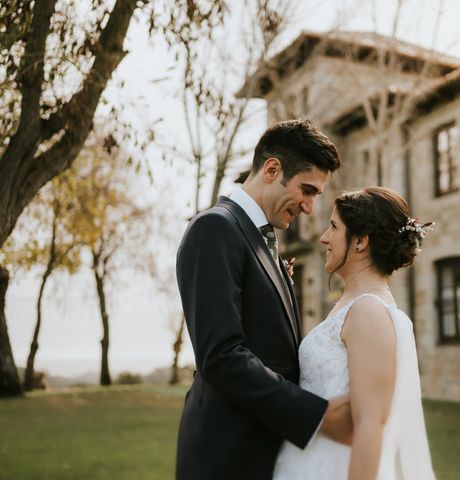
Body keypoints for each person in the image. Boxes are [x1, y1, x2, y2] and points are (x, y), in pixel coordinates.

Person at [175, 119, 351, 480]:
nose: (308, 208)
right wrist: (316, 416)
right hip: (227, 456)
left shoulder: (261, 239)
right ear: (272, 170)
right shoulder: (215, 228)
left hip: (266, 449)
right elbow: (221, 355)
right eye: (307, 190)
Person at [273, 186, 437, 480]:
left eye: (334, 227)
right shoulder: (349, 306)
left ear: (361, 241)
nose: (324, 237)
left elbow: (369, 426)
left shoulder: (369, 311)